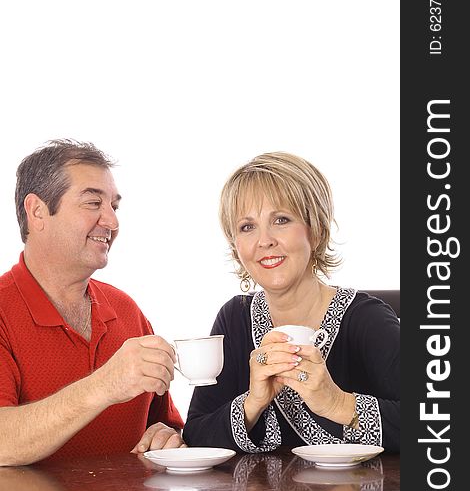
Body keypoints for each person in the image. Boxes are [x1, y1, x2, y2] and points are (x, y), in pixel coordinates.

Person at [183, 151, 399, 453]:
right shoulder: (235, 319)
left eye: (281, 220)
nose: (264, 240)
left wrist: (338, 404)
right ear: (236, 247)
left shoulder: (367, 320)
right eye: (247, 227)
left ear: (317, 229)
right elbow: (196, 433)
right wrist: (253, 402)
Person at [0, 139, 184, 466]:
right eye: (92, 203)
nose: (112, 222)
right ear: (37, 211)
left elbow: (168, 427)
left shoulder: (127, 311)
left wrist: (169, 437)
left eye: (114, 206)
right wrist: (106, 384)